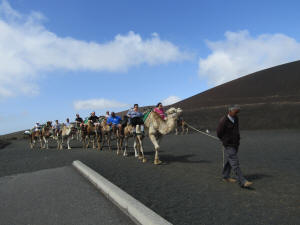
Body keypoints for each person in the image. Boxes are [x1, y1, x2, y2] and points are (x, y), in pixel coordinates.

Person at [217, 105, 253, 188]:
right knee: (234, 161)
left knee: (230, 160)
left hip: (236, 143)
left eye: (238, 112)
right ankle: (242, 181)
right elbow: (219, 133)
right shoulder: (223, 120)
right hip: (228, 144)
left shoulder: (236, 118)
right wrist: (224, 140)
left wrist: (237, 137)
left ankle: (225, 176)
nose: (237, 113)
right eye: (235, 112)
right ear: (230, 111)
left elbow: (236, 129)